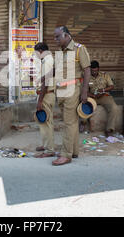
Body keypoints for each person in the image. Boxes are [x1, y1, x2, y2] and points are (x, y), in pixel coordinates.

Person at [52, 26, 91, 166]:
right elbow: (56, 70)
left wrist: (85, 92)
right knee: (72, 122)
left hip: (72, 89)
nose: (55, 39)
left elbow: (87, 70)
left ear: (66, 35)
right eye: (54, 37)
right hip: (61, 91)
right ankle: (73, 151)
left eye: (57, 37)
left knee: (69, 123)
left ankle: (66, 154)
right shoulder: (60, 52)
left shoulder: (79, 49)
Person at [33, 42, 56, 158]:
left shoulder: (47, 61)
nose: (35, 55)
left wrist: (40, 101)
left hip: (46, 95)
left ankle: (49, 149)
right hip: (46, 94)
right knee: (44, 121)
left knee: (46, 122)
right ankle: (45, 144)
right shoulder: (48, 59)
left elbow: (46, 82)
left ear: (40, 51)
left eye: (36, 53)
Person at [87, 61, 118, 136]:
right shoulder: (86, 77)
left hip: (104, 96)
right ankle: (83, 123)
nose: (94, 72)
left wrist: (103, 90)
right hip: (92, 97)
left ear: (98, 69)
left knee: (114, 108)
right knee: (83, 105)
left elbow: (111, 86)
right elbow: (84, 90)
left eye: (95, 70)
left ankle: (109, 129)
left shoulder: (105, 75)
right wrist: (92, 95)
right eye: (92, 70)